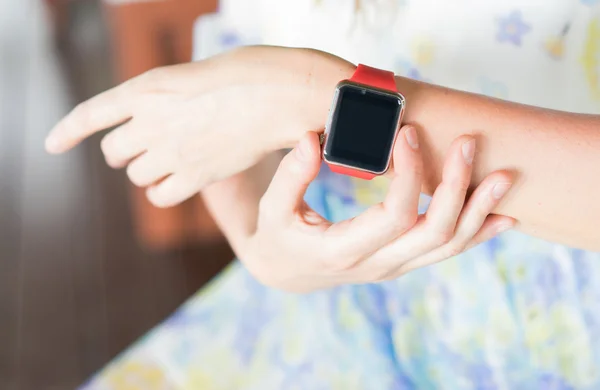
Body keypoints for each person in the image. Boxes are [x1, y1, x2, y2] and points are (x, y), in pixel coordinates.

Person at [48, 0, 600, 388]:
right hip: (337, 313)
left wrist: (315, 97)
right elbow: (237, 76)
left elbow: (278, 93)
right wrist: (264, 247)